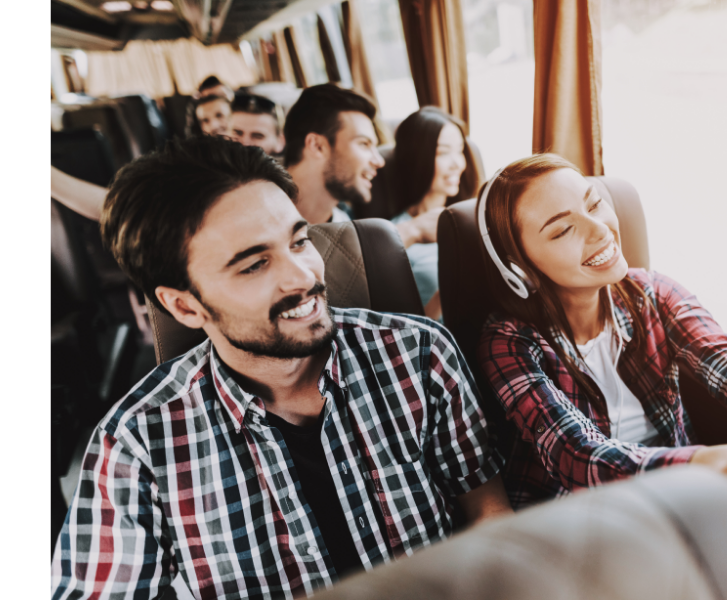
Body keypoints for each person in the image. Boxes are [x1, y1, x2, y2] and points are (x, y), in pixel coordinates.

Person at [52, 137, 510, 599]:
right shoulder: (137, 443)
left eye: (300, 241)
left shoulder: (417, 352)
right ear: (185, 307)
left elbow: (486, 510)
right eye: (254, 265)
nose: (304, 277)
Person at [476, 154, 727, 510]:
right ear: (519, 268)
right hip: (578, 523)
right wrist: (713, 462)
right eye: (563, 230)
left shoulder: (654, 293)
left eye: (594, 204)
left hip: (683, 498)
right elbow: (575, 456)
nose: (600, 230)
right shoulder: (508, 341)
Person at [283, 84, 441, 247]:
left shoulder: (343, 221)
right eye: (364, 144)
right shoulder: (261, 221)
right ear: (317, 146)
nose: (379, 161)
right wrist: (411, 230)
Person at [389, 107, 469, 320]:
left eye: (460, 150)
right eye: (443, 153)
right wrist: (451, 286)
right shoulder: (396, 236)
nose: (457, 164)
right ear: (417, 157)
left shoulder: (471, 216)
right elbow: (409, 334)